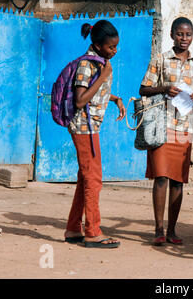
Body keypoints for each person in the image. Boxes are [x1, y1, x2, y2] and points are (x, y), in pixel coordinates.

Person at [139, 17, 193, 245]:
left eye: (188, 35)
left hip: (184, 129)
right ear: (172, 35)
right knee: (161, 178)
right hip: (162, 126)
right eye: (180, 34)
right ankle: (159, 229)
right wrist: (164, 89)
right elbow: (143, 88)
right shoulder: (160, 59)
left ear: (192, 36)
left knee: (178, 181)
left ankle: (172, 230)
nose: (184, 39)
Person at [63, 20, 126, 248]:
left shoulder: (100, 62)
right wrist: (104, 75)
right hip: (84, 128)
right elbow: (80, 99)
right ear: (98, 45)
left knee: (84, 178)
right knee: (93, 179)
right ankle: (92, 232)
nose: (114, 51)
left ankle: (73, 228)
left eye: (116, 46)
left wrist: (115, 98)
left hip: (91, 127)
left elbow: (94, 94)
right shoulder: (88, 65)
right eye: (111, 47)